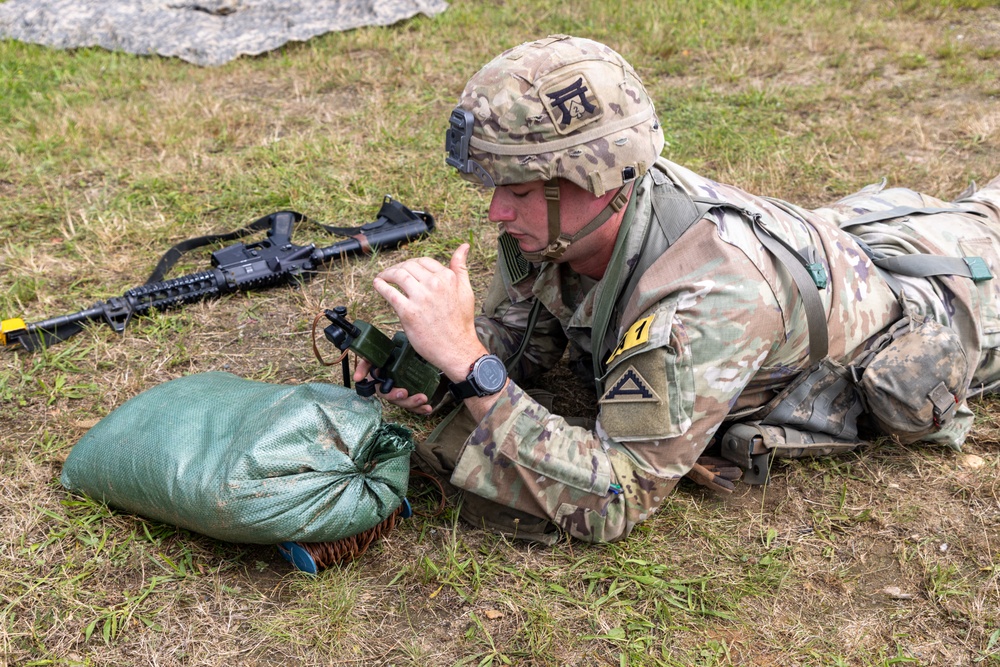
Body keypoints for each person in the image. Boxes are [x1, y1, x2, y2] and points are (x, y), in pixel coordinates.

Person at [355, 34, 1000, 544]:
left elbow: (615, 497)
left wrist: (471, 367)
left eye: (519, 191)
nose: (497, 211)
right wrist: (432, 359)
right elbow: (522, 339)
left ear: (602, 181)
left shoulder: (707, 298)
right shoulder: (561, 230)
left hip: (955, 297)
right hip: (851, 243)